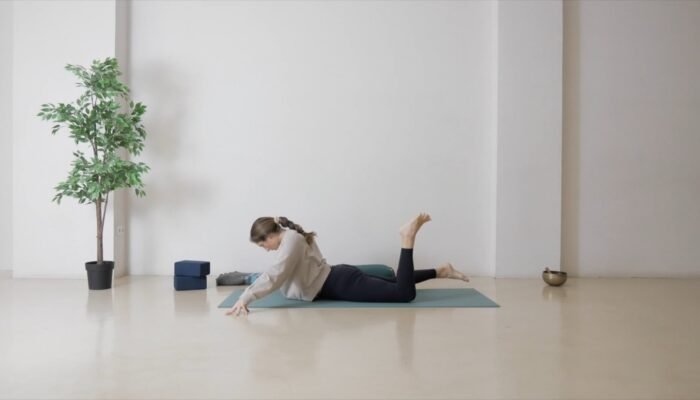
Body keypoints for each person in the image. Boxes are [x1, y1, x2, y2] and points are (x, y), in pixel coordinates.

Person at [226, 213, 470, 317]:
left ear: (269, 236)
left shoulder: (291, 240)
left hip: (339, 284)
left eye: (263, 245)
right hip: (338, 277)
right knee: (395, 281)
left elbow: (276, 273)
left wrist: (246, 298)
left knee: (403, 293)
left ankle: (407, 238)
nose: (266, 249)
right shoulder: (291, 238)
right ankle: (441, 271)